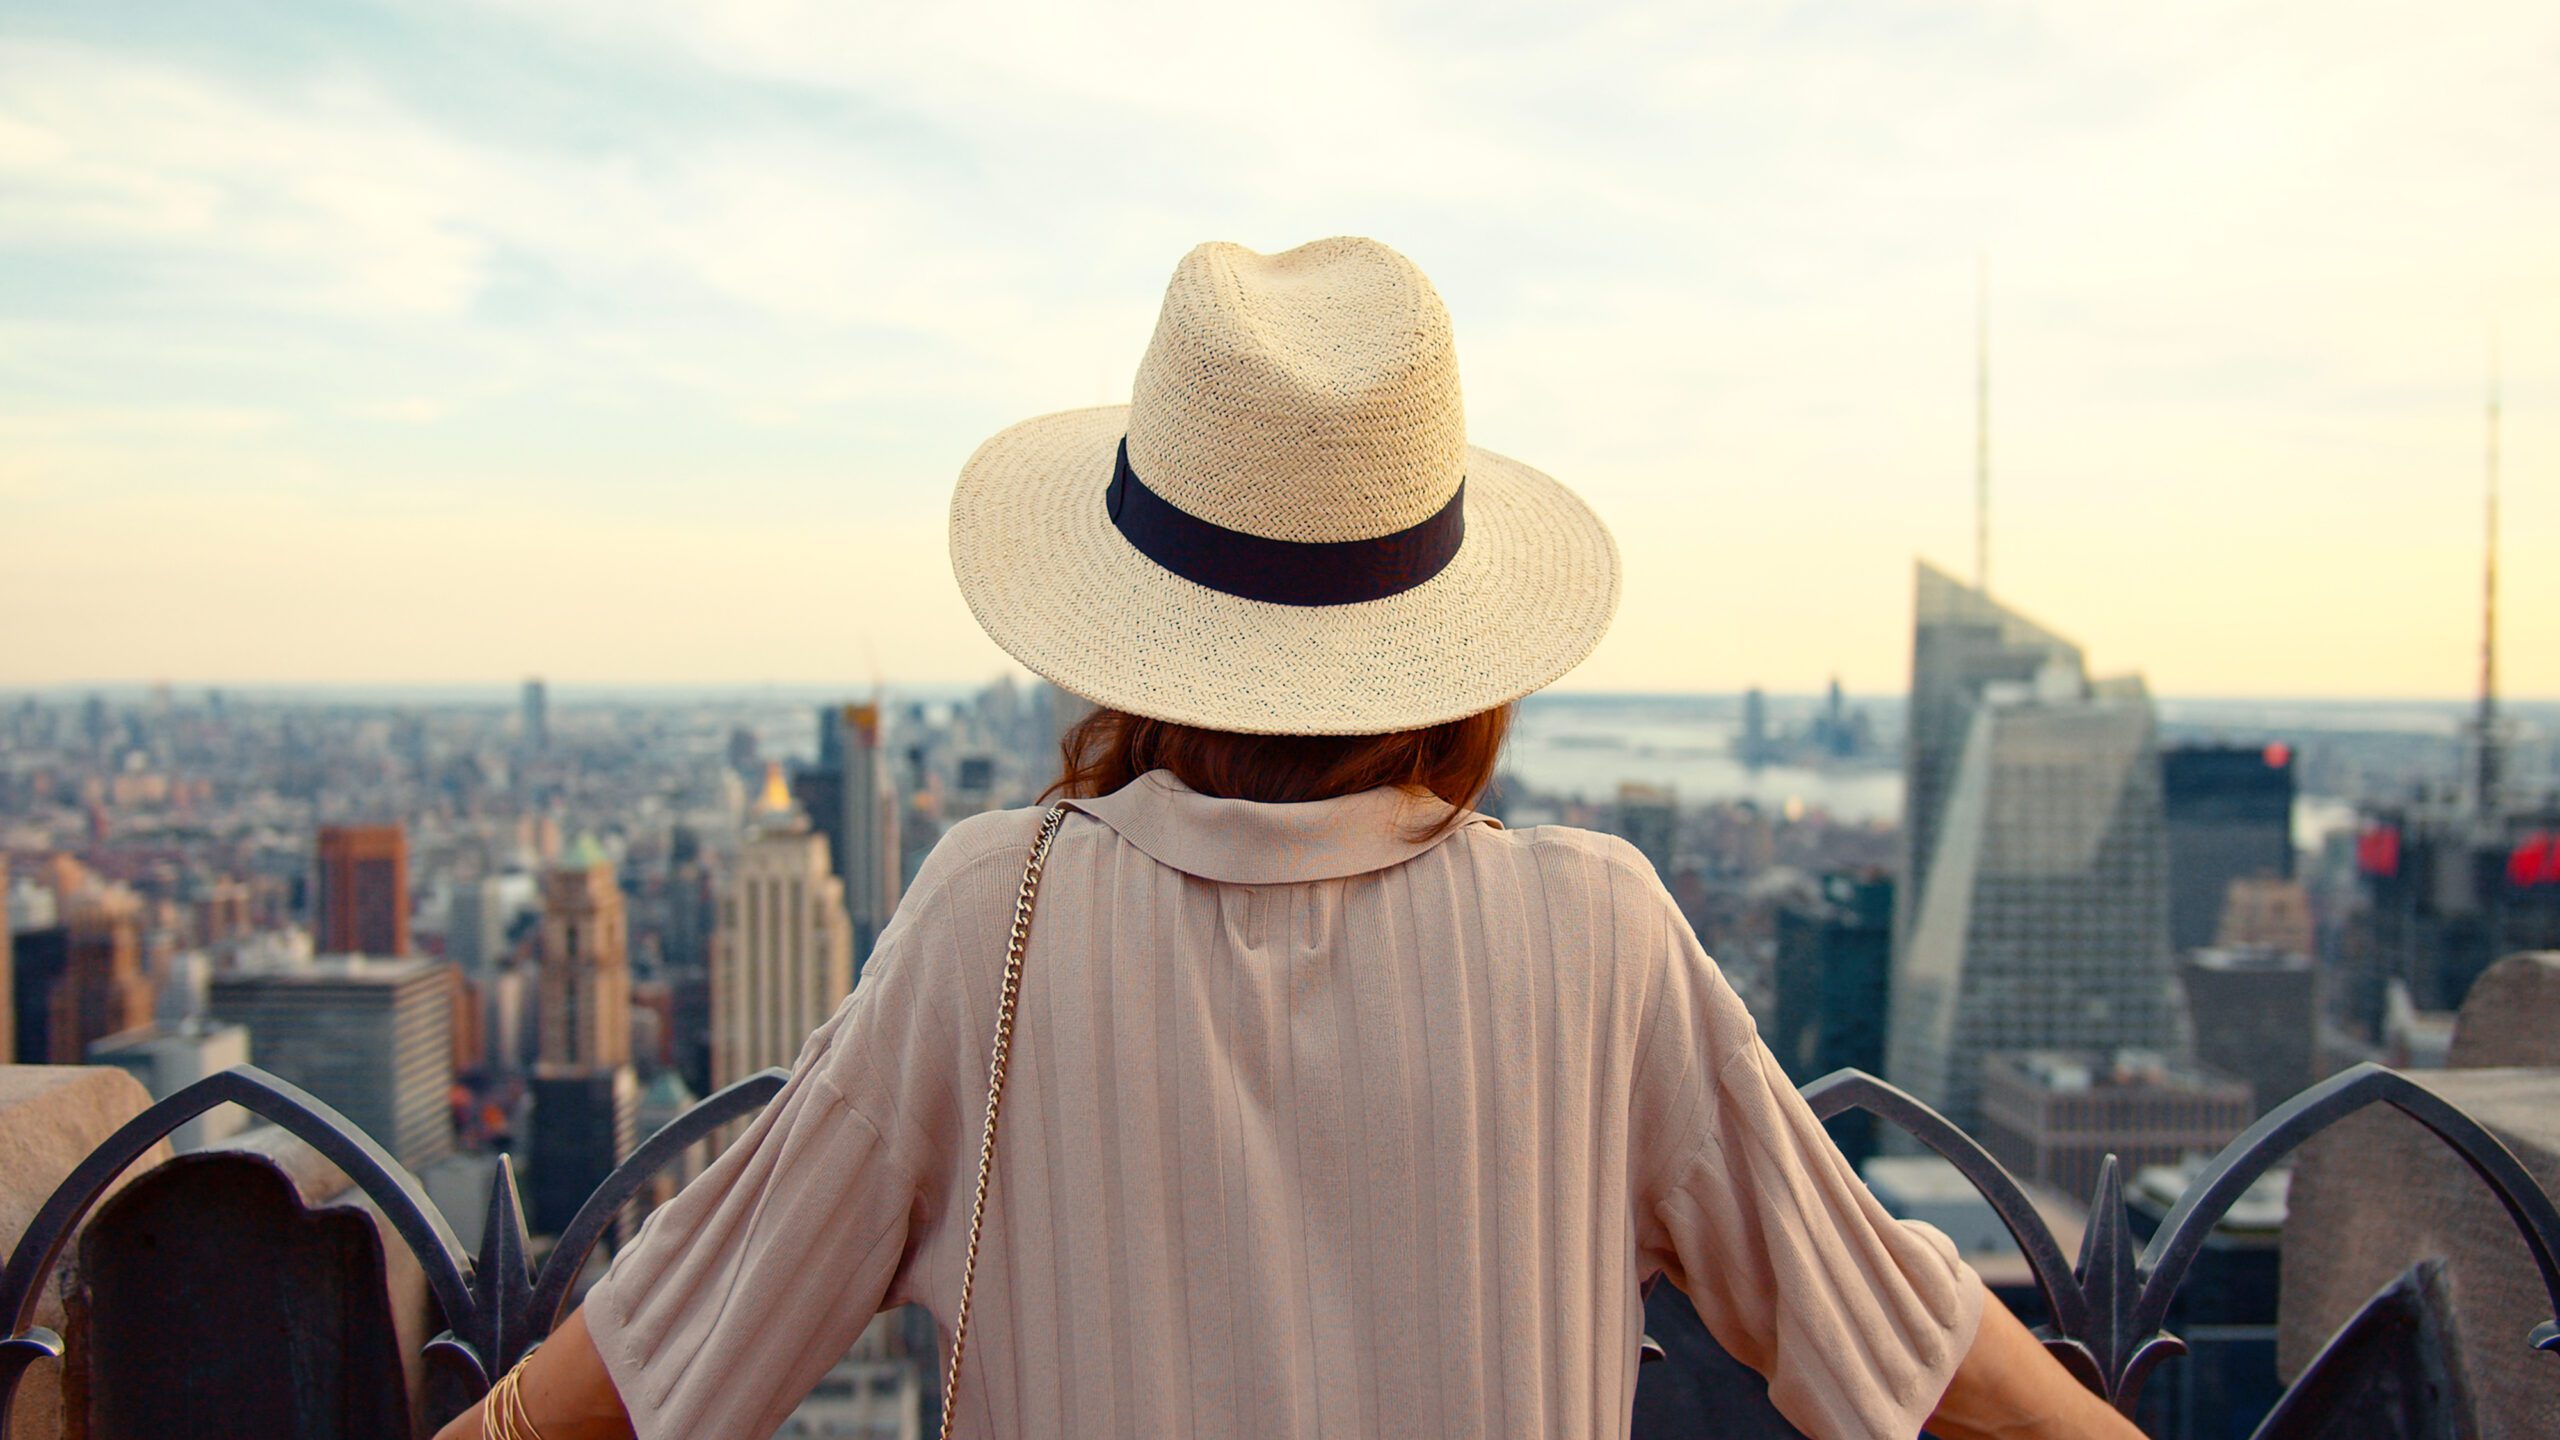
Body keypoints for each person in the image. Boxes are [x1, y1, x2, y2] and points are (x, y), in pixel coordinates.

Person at [435, 238, 2145, 1439]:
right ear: (1451, 630)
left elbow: (664, 1365)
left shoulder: (987, 920)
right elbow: (1913, 1364)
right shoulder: (1601, 938)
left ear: (1130, 616)